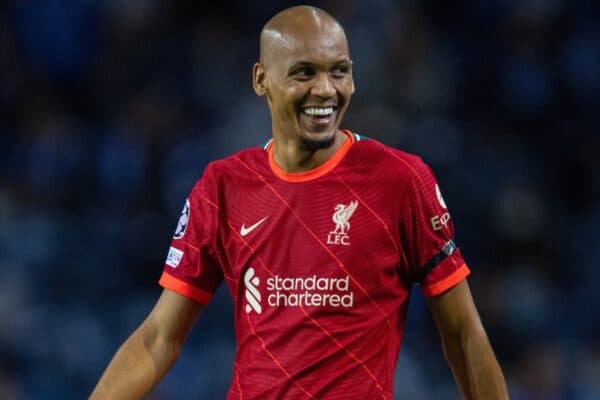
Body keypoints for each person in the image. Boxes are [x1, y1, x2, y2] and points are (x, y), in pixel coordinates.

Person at [91, 5, 509, 399]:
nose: (325, 90)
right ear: (261, 80)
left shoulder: (399, 181)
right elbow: (159, 338)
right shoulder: (223, 186)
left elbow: (462, 332)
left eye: (339, 72)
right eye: (304, 73)